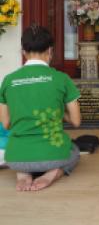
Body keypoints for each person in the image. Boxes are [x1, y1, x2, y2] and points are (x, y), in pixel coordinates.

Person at [0, 25, 81, 191]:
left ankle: (23, 173)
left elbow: (6, 124)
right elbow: (76, 121)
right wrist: (61, 111)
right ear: (50, 51)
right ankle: (53, 173)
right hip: (53, 155)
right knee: (74, 150)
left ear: (23, 52)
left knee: (20, 149)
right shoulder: (62, 79)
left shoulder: (8, 80)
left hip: (15, 157)